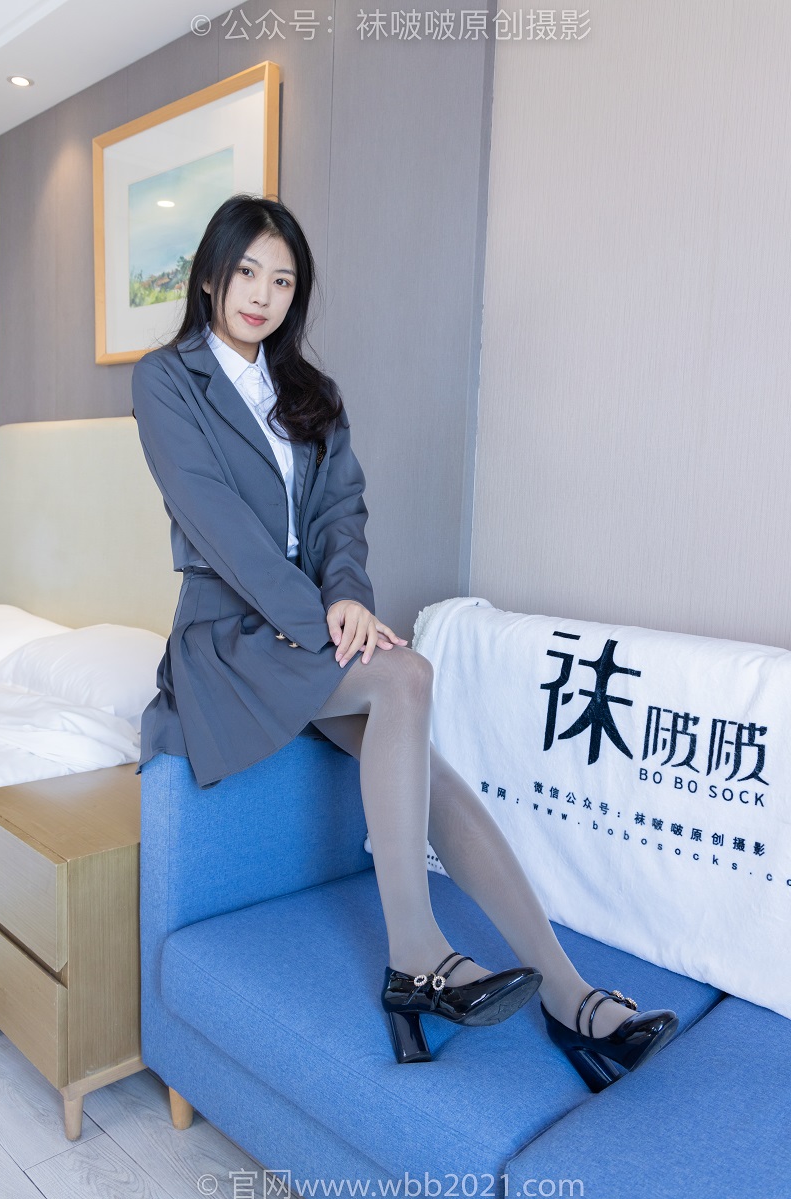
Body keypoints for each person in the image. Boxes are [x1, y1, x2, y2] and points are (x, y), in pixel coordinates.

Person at [131, 193, 678, 1082]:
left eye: (283, 280)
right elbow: (220, 528)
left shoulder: (311, 394)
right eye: (246, 272)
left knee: (427, 764)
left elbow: (341, 514)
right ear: (208, 277)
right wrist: (326, 622)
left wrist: (347, 596)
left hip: (310, 626)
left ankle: (567, 993)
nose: (262, 295)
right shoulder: (166, 380)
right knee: (405, 676)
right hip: (230, 638)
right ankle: (417, 954)